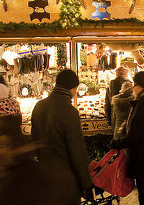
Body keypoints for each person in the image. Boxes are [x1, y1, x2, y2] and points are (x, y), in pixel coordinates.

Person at [31, 69, 93, 205]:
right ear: (73, 88)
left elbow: (33, 141)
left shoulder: (39, 106)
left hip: (43, 175)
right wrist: (86, 183)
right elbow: (77, 151)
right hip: (65, 178)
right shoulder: (69, 112)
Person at [111, 72, 144, 205]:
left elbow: (135, 135)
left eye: (135, 85)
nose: (133, 88)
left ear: (142, 87)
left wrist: (117, 143)